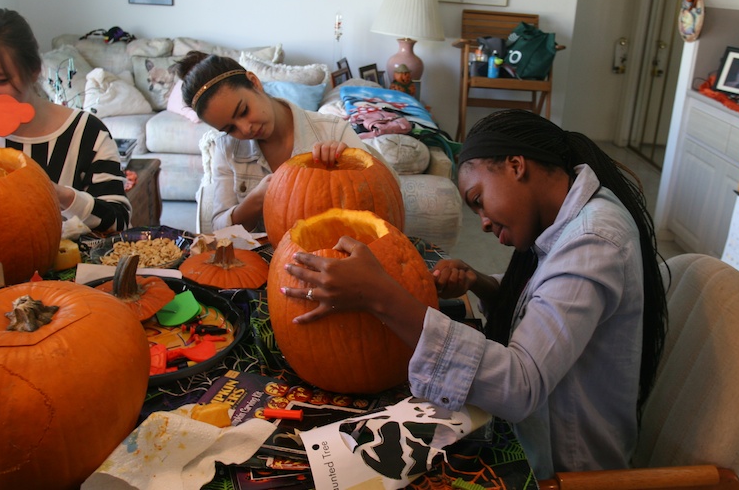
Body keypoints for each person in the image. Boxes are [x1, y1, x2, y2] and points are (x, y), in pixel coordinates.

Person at [281, 109, 669, 479]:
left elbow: (519, 385)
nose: (482, 223)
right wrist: (481, 282)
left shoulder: (594, 242)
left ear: (517, 166)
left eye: (479, 200)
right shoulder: (574, 217)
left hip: (559, 469)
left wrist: (380, 295)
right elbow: (548, 301)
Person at [177, 51, 392, 233]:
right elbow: (219, 231)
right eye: (229, 129)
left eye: (243, 111)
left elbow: (387, 199)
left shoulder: (331, 130)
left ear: (254, 82)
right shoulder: (226, 150)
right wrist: (255, 201)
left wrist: (348, 165)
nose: (245, 129)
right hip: (266, 268)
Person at [0, 8, 131, 234]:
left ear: (33, 71)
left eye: (0, 80)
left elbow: (118, 221)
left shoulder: (88, 133)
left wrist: (58, 194)